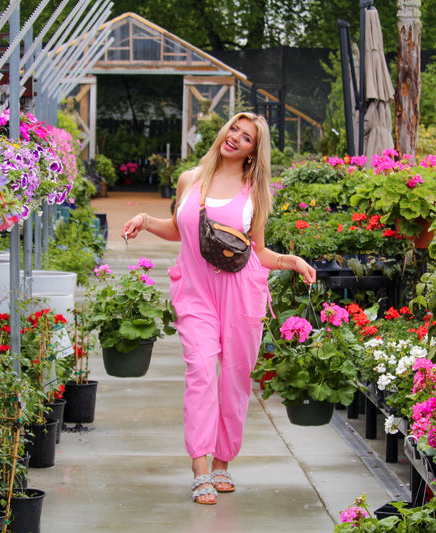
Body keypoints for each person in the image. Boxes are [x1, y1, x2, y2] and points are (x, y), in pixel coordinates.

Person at [121, 112, 316, 505]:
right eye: (233, 129)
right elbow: (180, 228)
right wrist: (145, 220)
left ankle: (223, 461)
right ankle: (200, 470)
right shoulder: (191, 180)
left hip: (241, 292)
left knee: (235, 379)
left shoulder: (254, 192)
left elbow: (257, 251)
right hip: (195, 292)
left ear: (251, 152)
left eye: (245, 138)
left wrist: (291, 260)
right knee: (200, 372)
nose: (235, 138)